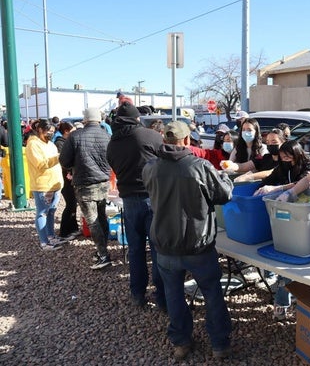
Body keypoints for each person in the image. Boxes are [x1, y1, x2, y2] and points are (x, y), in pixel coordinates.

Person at [142, 121, 234, 361]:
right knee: (212, 293)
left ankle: (181, 341)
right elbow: (224, 195)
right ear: (186, 141)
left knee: (173, 294)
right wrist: (225, 177)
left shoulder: (150, 167)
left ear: (165, 140)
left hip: (165, 243)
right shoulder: (200, 166)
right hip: (198, 244)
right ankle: (219, 343)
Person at [106, 103, 166, 309]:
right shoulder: (151, 136)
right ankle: (162, 296)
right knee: (158, 249)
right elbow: (165, 161)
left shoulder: (113, 142)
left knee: (135, 249)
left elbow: (112, 165)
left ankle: (137, 293)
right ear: (137, 119)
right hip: (153, 197)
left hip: (129, 200)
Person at [254, 140, 310, 320]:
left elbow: (303, 182)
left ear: (297, 154)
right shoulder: (282, 167)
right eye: (283, 157)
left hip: (302, 216)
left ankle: (292, 298)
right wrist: (264, 186)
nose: (286, 160)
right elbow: (268, 180)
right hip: (282, 215)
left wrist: (279, 188)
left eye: (289, 156)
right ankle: (282, 300)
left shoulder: (308, 167)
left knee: (293, 262)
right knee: (283, 262)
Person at [59, 107, 113, 270]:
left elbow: (64, 160)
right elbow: (113, 159)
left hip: (84, 183)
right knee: (102, 216)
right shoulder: (107, 136)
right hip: (103, 182)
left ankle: (103, 255)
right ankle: (103, 249)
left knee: (92, 220)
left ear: (85, 120)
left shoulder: (76, 136)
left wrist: (72, 168)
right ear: (99, 120)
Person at [25, 119, 65, 250]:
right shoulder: (33, 144)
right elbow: (40, 164)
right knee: (42, 213)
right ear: (40, 130)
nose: (51, 134)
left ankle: (51, 236)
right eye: (48, 131)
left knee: (52, 212)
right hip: (43, 185)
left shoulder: (51, 144)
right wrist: (58, 157)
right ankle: (44, 242)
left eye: (53, 131)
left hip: (55, 184)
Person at [220, 128, 285, 182]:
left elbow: (271, 172)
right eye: (268, 142)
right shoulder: (264, 158)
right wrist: (231, 165)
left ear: (283, 143)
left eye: (274, 142)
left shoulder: (286, 160)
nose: (270, 144)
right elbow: (243, 166)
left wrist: (250, 177)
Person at [54, 121, 81, 240]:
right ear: (66, 131)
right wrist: (70, 171)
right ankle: (64, 231)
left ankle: (73, 228)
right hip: (65, 177)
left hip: (69, 177)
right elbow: (63, 161)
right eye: (72, 131)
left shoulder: (66, 142)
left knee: (73, 203)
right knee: (70, 204)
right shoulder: (60, 143)